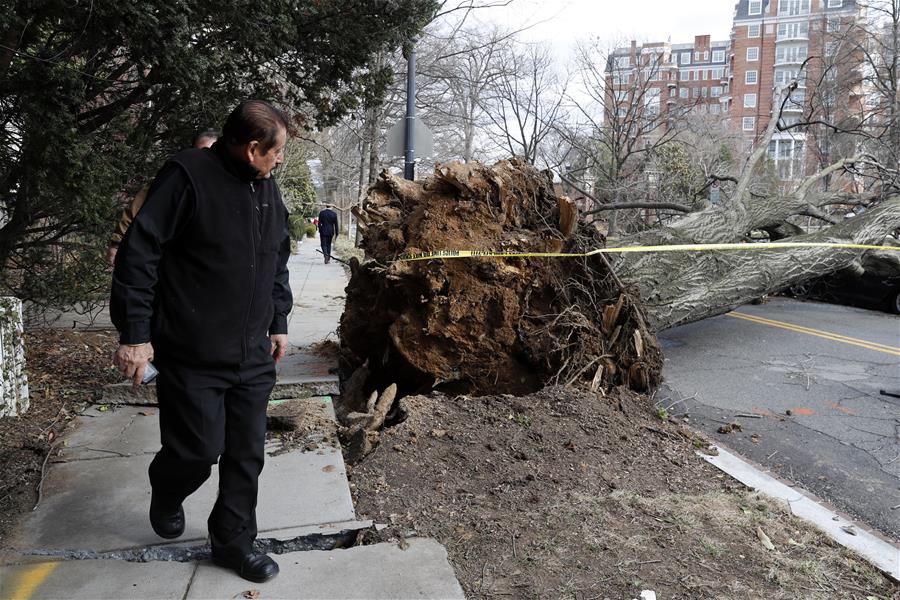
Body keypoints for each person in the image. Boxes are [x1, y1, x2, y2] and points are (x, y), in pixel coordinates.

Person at [110, 101, 292, 583]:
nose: (279, 161)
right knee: (195, 451)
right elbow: (139, 252)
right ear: (253, 148)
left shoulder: (266, 188)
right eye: (277, 152)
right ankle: (167, 488)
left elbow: (277, 257)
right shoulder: (188, 176)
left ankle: (234, 544)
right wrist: (135, 335)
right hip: (192, 351)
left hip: (251, 353)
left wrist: (279, 319)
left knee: (246, 453)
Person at [106, 129, 219, 266]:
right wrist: (117, 243)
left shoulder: (227, 187)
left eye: (210, 152)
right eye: (201, 151)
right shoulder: (175, 179)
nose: (205, 158)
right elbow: (138, 207)